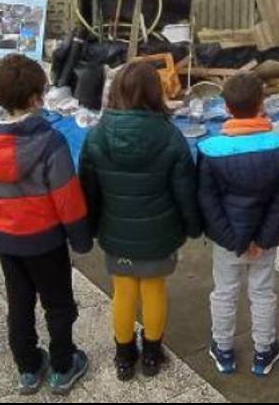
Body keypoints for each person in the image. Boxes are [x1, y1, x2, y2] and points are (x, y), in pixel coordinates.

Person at [0, 54, 93, 397]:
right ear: (38, 99)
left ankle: (27, 367)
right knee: (58, 304)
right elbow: (67, 196)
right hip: (46, 242)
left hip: (8, 240)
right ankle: (63, 366)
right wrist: (80, 236)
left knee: (19, 304)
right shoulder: (51, 142)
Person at [78, 61, 202, 381]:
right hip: (159, 235)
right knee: (154, 289)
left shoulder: (95, 137)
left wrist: (88, 229)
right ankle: (151, 353)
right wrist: (193, 226)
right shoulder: (170, 136)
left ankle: (123, 356)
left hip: (116, 233)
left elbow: (87, 191)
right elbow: (185, 190)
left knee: (123, 292)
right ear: (155, 92)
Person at [197, 72, 279, 378]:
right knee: (263, 292)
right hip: (264, 241)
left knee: (224, 292)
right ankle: (263, 352)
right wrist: (263, 238)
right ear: (261, 104)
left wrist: (232, 240)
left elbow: (207, 201)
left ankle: (223, 349)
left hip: (227, 241)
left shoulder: (209, 149)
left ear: (225, 107)